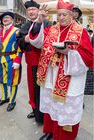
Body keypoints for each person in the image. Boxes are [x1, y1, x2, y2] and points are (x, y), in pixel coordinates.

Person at [29, 0, 93, 139]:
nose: (61, 18)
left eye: (64, 15)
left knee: (66, 110)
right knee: (52, 106)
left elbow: (89, 58)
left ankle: (64, 136)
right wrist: (39, 20)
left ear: (72, 15)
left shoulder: (81, 31)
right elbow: (37, 41)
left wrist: (69, 53)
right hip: (51, 76)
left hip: (70, 78)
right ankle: (51, 131)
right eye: (59, 15)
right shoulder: (52, 29)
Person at [19, 0, 51, 123]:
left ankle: (45, 115)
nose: (31, 11)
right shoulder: (24, 26)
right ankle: (36, 110)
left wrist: (30, 39)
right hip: (31, 63)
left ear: (38, 11)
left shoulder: (47, 23)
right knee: (33, 89)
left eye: (33, 9)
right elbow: (19, 42)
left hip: (46, 63)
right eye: (29, 10)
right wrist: (25, 40)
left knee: (44, 90)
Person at [0, 12, 23, 112]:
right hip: (1, 59)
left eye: (8, 17)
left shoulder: (17, 31)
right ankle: (4, 97)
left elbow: (20, 47)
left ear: (12, 20)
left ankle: (12, 100)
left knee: (13, 81)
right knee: (1, 79)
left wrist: (18, 60)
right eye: (3, 18)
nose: (5, 19)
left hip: (12, 59)